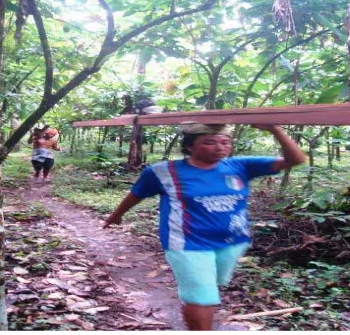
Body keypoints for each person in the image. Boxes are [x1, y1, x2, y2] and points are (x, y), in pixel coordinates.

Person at [103, 123, 306, 330]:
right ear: (190, 146)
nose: (220, 147)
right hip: (186, 242)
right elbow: (137, 193)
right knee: (201, 295)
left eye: (225, 142)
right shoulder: (164, 171)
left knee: (210, 286)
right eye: (210, 142)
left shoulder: (241, 166)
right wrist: (117, 215)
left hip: (233, 242)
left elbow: (295, 160)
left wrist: (275, 129)